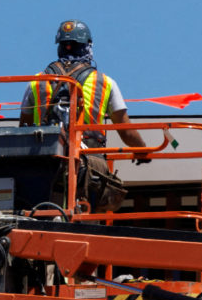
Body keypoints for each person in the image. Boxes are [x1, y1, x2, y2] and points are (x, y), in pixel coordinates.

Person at [20, 19, 148, 211]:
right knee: (87, 215)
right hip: (89, 168)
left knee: (41, 214)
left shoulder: (36, 82)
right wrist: (143, 150)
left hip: (44, 166)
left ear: (60, 47)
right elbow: (126, 132)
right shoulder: (105, 82)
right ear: (87, 47)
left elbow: (23, 130)